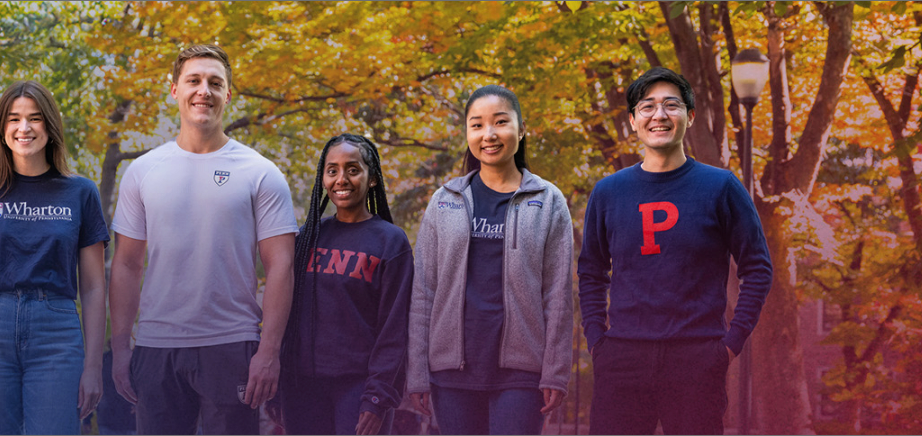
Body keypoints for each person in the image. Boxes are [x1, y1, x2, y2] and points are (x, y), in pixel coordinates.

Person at [107, 44, 298, 435]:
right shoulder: (143, 172)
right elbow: (126, 264)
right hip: (157, 345)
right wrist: (121, 346)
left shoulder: (261, 173)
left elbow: (282, 266)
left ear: (228, 94)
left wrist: (270, 352)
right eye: (193, 80)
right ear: (174, 89)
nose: (203, 91)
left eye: (215, 82)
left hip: (233, 345)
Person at [577, 67, 773, 435]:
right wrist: (597, 342)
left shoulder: (721, 187)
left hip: (697, 358)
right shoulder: (608, 193)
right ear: (634, 120)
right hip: (621, 357)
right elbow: (590, 271)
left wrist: (729, 346)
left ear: (690, 116)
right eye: (647, 107)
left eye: (672, 105)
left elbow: (758, 268)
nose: (659, 115)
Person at [0, 80, 109, 434]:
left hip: (57, 330)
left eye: (35, 118)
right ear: (2, 128)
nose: (24, 128)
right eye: (14, 119)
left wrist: (93, 366)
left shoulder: (81, 191)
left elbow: (93, 288)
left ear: (50, 126)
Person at [407, 85, 574, 435]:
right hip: (451, 372)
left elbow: (558, 295)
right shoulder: (444, 200)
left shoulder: (547, 200)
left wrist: (555, 371)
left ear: (521, 129)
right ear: (467, 133)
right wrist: (417, 371)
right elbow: (423, 290)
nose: (489, 134)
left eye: (500, 122)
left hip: (522, 371)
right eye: (477, 125)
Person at [279, 134, 413, 435]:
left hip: (360, 387)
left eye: (353, 169)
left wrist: (378, 396)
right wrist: (278, 382)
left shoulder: (390, 241)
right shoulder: (308, 236)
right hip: (302, 386)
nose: (342, 179)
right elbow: (286, 313)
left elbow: (395, 328)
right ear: (323, 178)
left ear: (372, 178)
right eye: (332, 170)